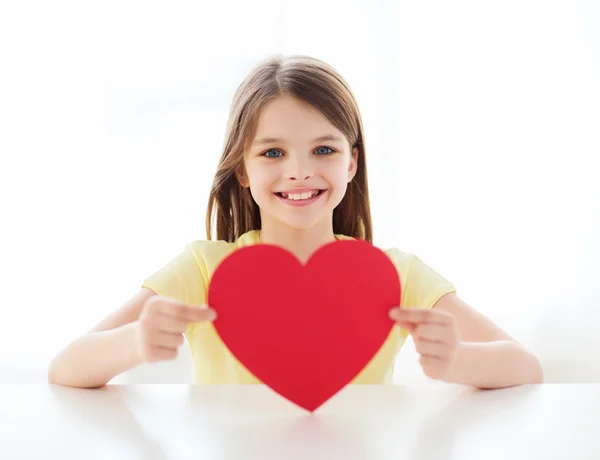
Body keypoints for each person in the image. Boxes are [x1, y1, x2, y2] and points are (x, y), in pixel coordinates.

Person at [48, 54, 543, 390]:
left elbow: (526, 368)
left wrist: (459, 360)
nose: (300, 171)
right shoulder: (203, 269)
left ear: (351, 162)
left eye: (323, 149)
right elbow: (65, 369)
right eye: (273, 152)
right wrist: (135, 342)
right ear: (243, 168)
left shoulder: (396, 274)